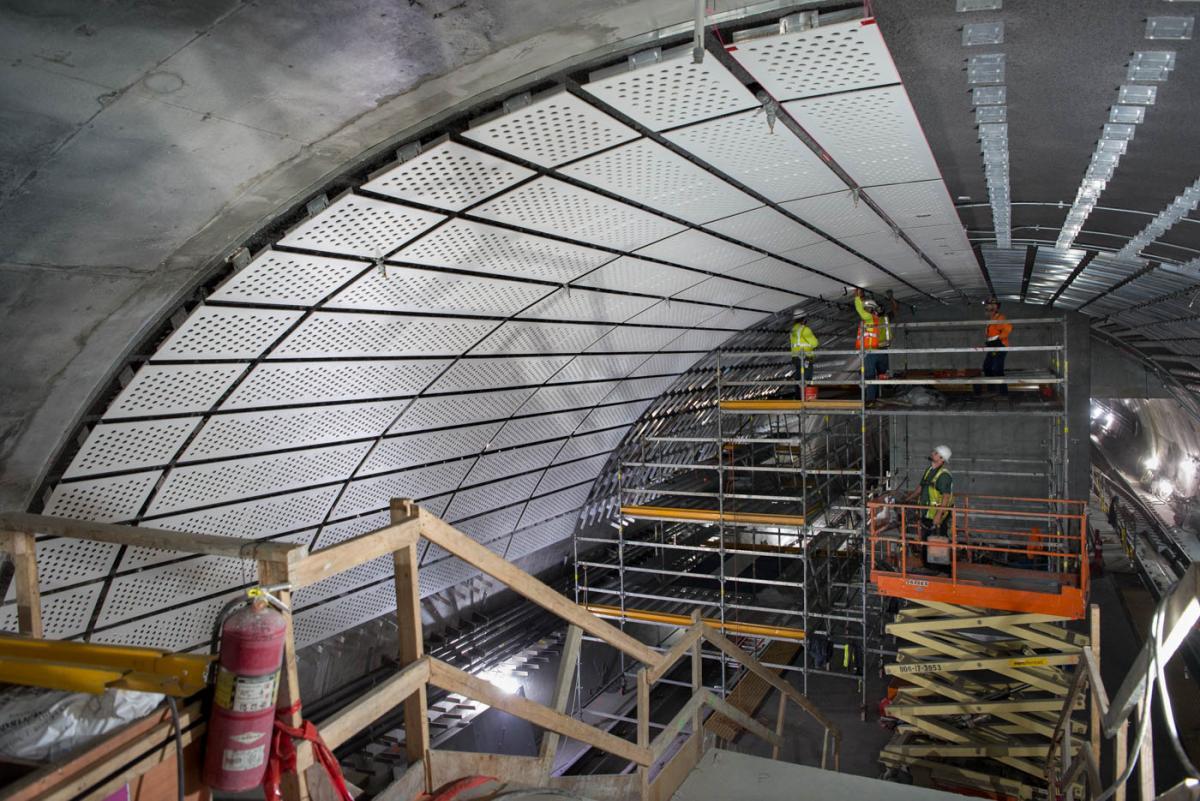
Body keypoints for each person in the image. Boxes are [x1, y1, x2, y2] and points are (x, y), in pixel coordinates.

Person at [904, 445, 954, 570]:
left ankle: (941, 568)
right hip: (928, 512)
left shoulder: (943, 475)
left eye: (936, 453)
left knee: (939, 538)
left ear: (941, 459)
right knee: (927, 538)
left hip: (938, 513)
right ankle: (929, 566)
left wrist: (938, 515)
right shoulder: (929, 470)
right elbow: (922, 487)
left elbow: (946, 497)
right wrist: (908, 499)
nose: (932, 453)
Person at [854, 289, 888, 402]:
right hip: (868, 351)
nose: (864, 310)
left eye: (866, 308)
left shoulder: (869, 318)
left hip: (869, 352)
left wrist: (857, 298)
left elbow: (860, 310)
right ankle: (872, 397)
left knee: (868, 376)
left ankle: (870, 399)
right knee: (869, 375)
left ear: (870, 309)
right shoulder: (871, 319)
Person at [974, 298, 1013, 396]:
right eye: (986, 306)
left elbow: (1008, 328)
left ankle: (1003, 393)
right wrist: (986, 344)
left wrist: (998, 339)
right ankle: (992, 390)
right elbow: (990, 335)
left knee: (997, 369)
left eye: (988, 306)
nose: (986, 308)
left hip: (1000, 346)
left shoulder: (1000, 318)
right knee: (987, 367)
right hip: (992, 346)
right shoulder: (991, 320)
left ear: (995, 307)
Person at [790, 311, 819, 399]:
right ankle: (805, 400)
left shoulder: (793, 330)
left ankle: (799, 399)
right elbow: (815, 343)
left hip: (796, 357)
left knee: (799, 379)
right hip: (805, 358)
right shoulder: (805, 329)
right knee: (807, 379)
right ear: (804, 319)